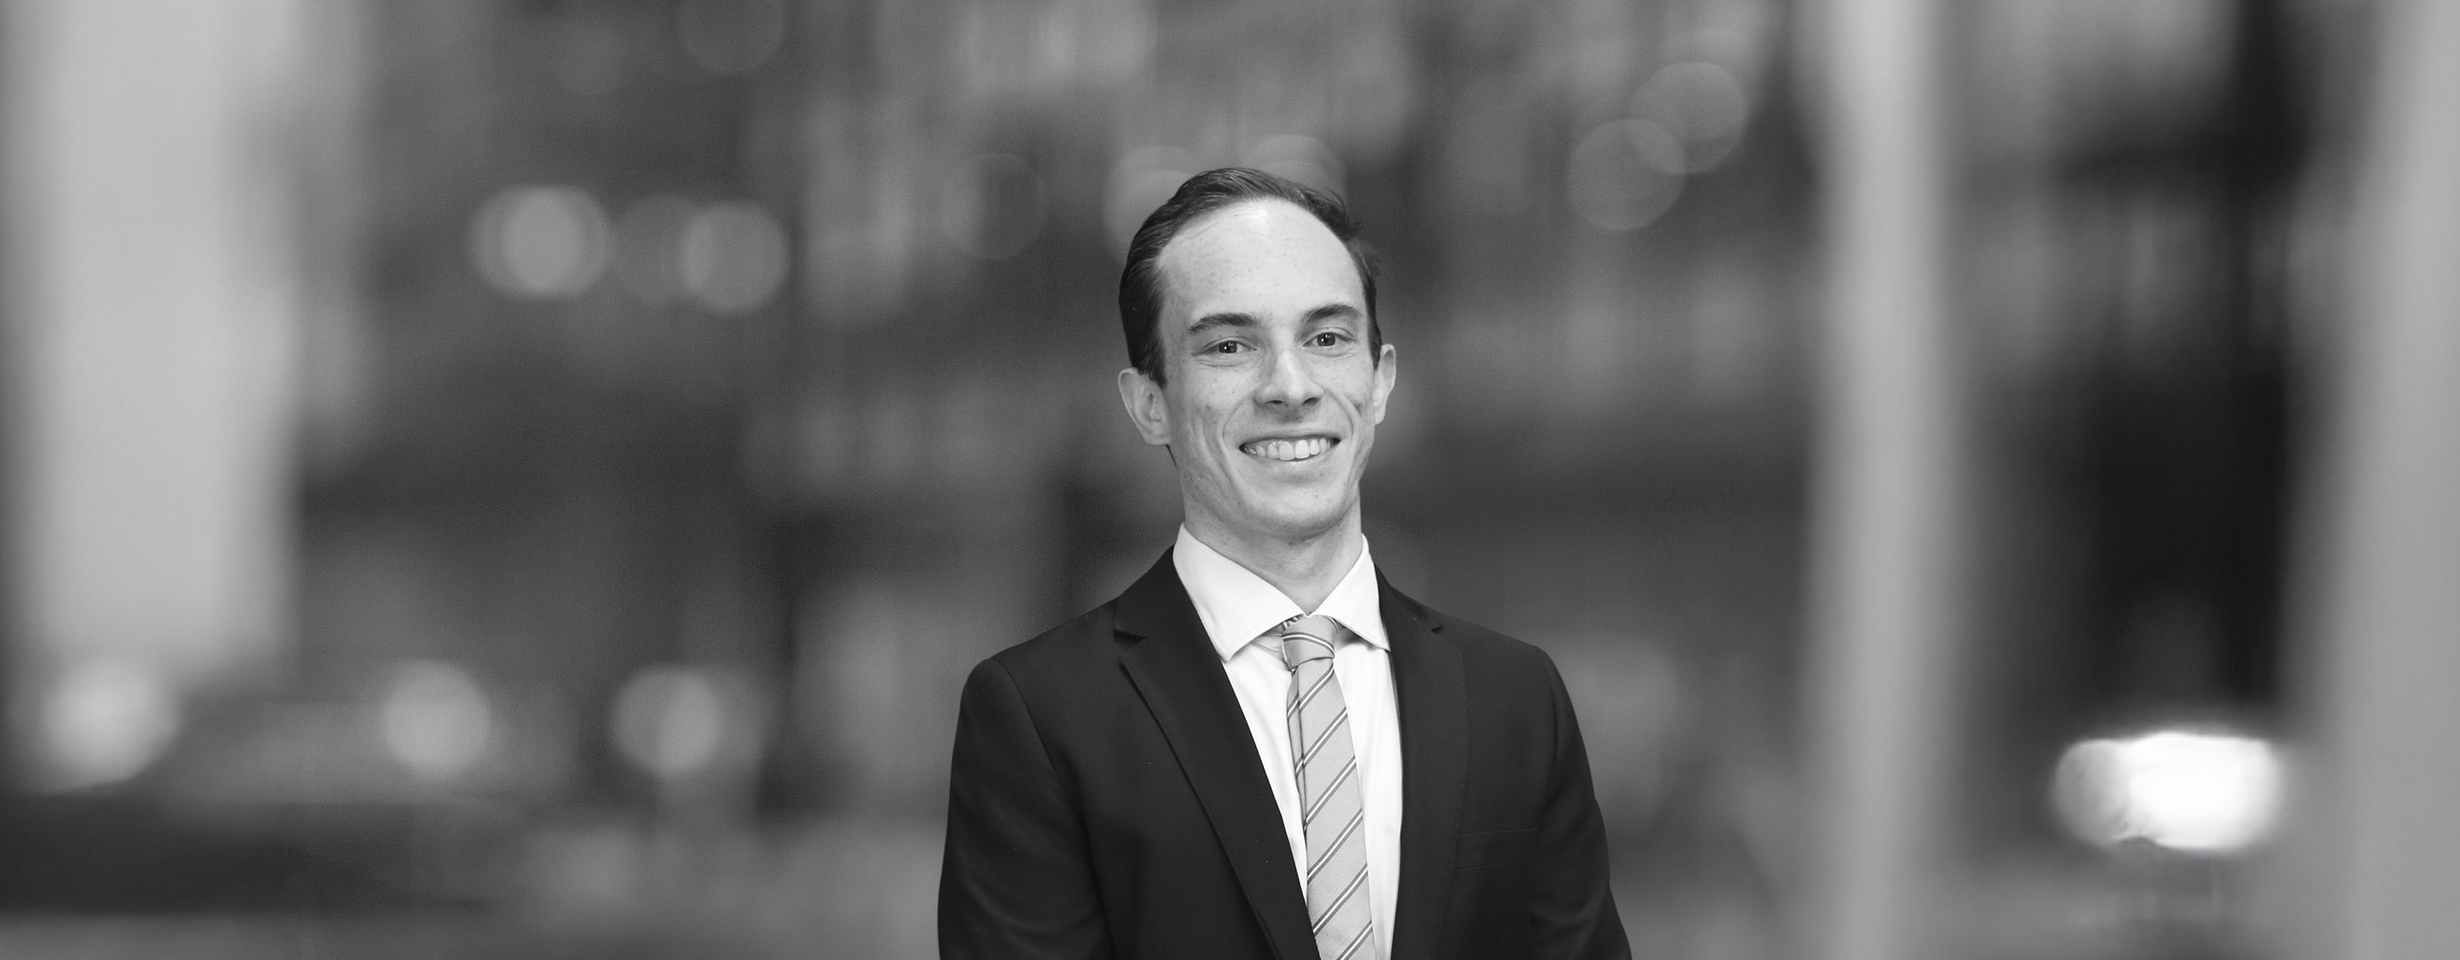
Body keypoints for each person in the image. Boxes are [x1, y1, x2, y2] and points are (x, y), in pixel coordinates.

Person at [938, 168, 1629, 960]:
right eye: (1230, 346)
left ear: (1379, 381)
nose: (1290, 387)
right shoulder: (1040, 715)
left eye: (1327, 339)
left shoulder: (1516, 699)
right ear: (1149, 404)